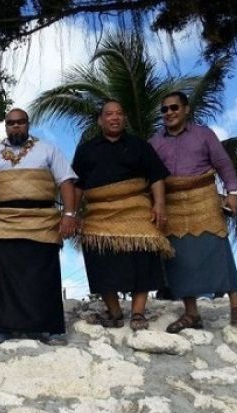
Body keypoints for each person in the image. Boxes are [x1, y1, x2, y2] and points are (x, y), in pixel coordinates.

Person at [0, 108, 77, 347]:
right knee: (3, 276)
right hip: (3, 221)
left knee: (43, 275)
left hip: (42, 220)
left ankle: (48, 329)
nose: (15, 127)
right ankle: (3, 328)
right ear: (5, 126)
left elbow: (66, 181)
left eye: (20, 122)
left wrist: (69, 214)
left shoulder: (48, 149)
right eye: (11, 123)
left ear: (28, 125)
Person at [149, 91, 237, 331]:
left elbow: (223, 163)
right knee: (179, 257)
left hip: (203, 197)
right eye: (164, 110)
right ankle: (191, 313)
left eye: (174, 108)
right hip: (171, 202)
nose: (169, 113)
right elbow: (150, 175)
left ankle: (236, 306)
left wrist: (233, 192)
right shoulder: (154, 142)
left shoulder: (203, 134)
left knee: (218, 248)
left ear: (186, 109)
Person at [73, 100, 172, 331]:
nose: (114, 117)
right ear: (100, 120)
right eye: (109, 114)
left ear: (124, 118)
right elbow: (77, 185)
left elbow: (155, 176)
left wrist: (159, 204)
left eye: (119, 113)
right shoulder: (86, 150)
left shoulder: (140, 146)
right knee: (99, 259)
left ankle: (138, 313)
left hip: (136, 208)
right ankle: (115, 313)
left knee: (143, 256)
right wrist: (73, 213)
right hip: (99, 213)